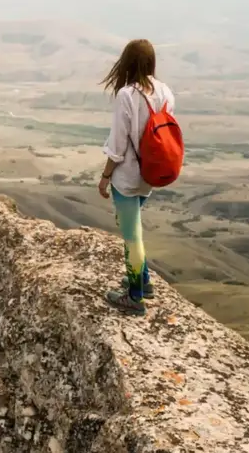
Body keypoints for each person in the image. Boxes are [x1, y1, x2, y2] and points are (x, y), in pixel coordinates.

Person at [97, 39, 176, 316]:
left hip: (128, 175)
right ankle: (143, 282)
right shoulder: (165, 92)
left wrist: (105, 176)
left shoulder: (127, 95)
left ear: (127, 62)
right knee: (132, 225)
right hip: (150, 174)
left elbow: (118, 145)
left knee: (132, 236)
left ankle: (134, 297)